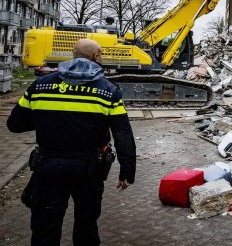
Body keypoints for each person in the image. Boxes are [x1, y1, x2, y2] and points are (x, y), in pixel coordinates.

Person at [7, 38, 136, 246]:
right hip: (89, 170)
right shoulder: (108, 90)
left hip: (48, 168)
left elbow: (14, 124)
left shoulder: (40, 85)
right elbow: (123, 134)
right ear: (96, 57)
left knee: (44, 229)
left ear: (73, 55)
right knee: (86, 226)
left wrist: (49, 121)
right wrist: (127, 171)